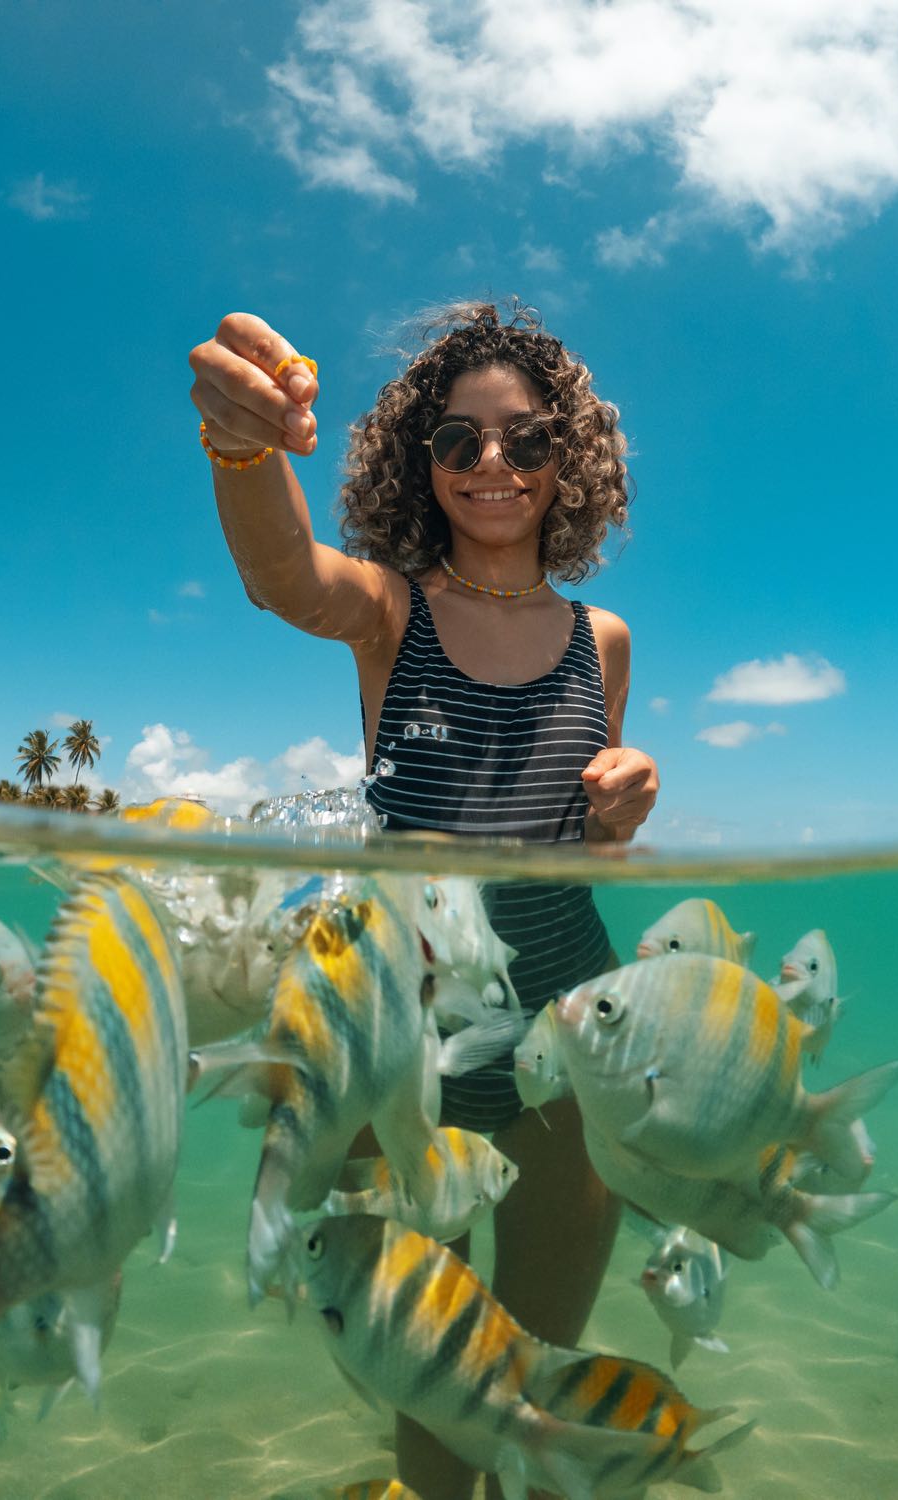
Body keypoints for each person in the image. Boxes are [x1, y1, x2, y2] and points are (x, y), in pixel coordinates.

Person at [188, 300, 659, 1499]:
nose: (492, 463)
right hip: (409, 1036)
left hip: (568, 1022)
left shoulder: (598, 639)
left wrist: (620, 807)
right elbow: (282, 577)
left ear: (572, 458)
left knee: (534, 1367)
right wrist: (244, 446)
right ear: (421, 462)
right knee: (439, 1377)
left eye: (524, 437)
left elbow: (586, 855)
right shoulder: (390, 611)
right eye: (458, 442)